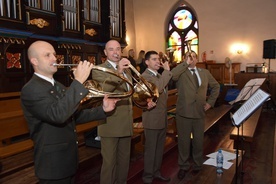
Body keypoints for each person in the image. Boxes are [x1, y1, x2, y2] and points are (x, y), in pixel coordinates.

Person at [21, 40, 118, 184]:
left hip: (68, 160)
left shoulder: (58, 86)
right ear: (34, 60)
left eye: (54, 54)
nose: (54, 58)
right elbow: (58, 115)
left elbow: (74, 116)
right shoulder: (31, 89)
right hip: (52, 165)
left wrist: (102, 110)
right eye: (47, 55)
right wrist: (78, 81)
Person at [91, 40, 156, 184]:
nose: (115, 52)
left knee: (124, 163)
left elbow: (130, 94)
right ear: (105, 52)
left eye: (118, 49)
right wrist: (118, 71)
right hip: (110, 124)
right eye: (111, 49)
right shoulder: (98, 69)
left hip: (126, 124)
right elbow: (105, 90)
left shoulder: (127, 70)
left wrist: (145, 103)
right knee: (109, 165)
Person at [171, 51, 220, 179]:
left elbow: (216, 86)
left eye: (193, 56)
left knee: (198, 141)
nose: (191, 58)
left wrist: (210, 103)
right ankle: (183, 166)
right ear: (184, 59)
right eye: (188, 56)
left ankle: (198, 165)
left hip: (199, 112)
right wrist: (185, 63)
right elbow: (172, 76)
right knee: (183, 142)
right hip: (184, 113)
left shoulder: (205, 72)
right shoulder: (181, 73)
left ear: (197, 59)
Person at [141, 51, 172, 184]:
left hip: (161, 118)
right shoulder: (145, 76)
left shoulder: (159, 75)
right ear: (147, 62)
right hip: (152, 119)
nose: (158, 61)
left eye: (158, 59)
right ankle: (147, 177)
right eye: (154, 59)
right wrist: (167, 71)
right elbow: (157, 88)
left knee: (159, 149)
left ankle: (156, 172)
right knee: (151, 150)